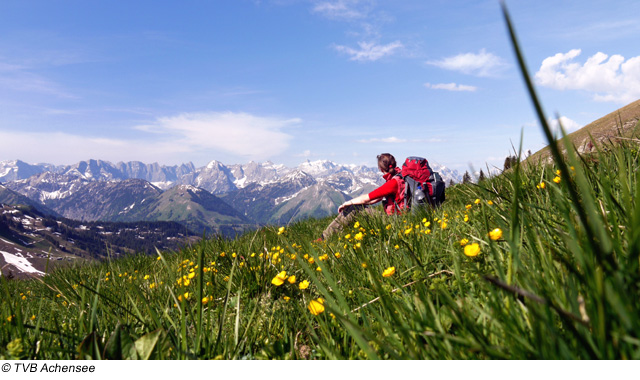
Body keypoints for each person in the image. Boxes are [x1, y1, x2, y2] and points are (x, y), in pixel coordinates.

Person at [320, 153, 404, 241]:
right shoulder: (400, 177)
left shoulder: (392, 183)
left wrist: (346, 203)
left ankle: (325, 238)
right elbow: (374, 200)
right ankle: (329, 236)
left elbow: (367, 198)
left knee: (354, 209)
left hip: (393, 221)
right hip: (399, 219)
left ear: (381, 169)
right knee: (355, 207)